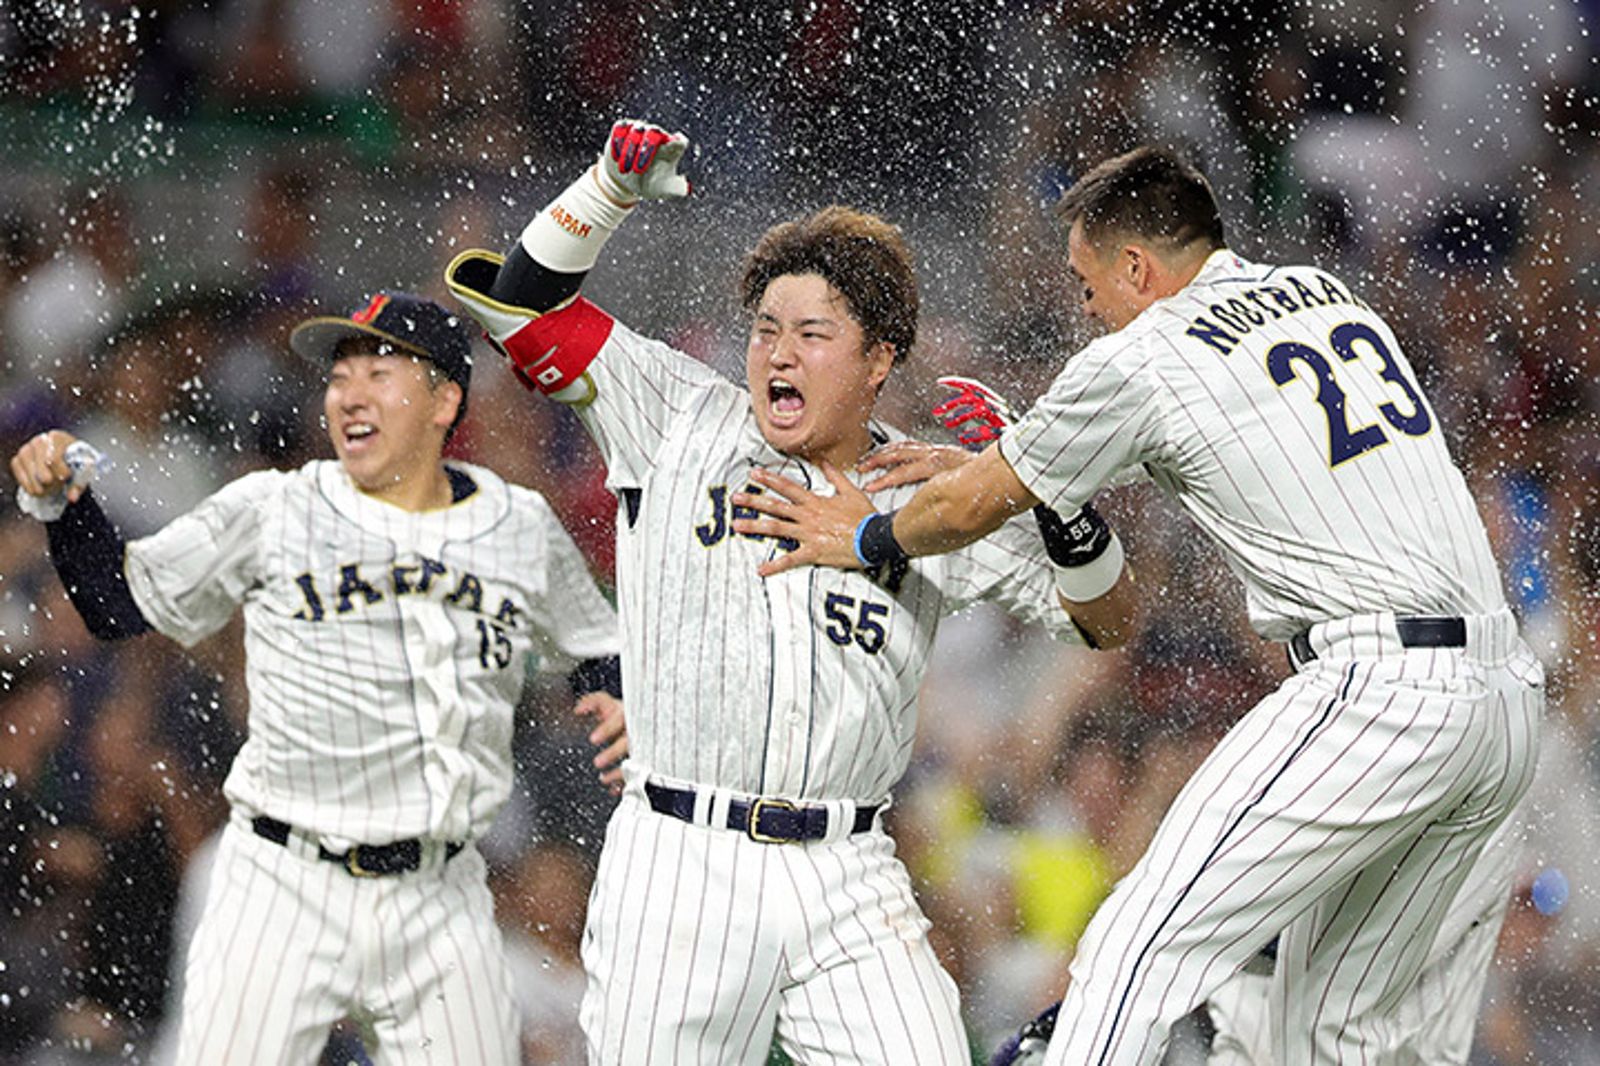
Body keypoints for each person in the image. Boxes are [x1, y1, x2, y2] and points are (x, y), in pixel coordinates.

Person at [733, 146, 1543, 1064]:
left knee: (1138, 945)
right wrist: (996, 469)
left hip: (1382, 692)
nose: (1086, 310)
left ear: (1136, 268)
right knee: (1347, 1033)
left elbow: (968, 510)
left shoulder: (1146, 353)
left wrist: (866, 535)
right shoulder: (1324, 293)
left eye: (1087, 283)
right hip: (1503, 699)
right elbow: (1217, 441)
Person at [443, 119, 1138, 1065]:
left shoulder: (932, 496)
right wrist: (608, 188)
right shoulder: (677, 414)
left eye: (814, 333)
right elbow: (520, 307)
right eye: (766, 329)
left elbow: (1105, 617)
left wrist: (1044, 489)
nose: (778, 352)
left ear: (879, 359)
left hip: (847, 872)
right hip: (684, 858)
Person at [9, 291, 624, 1065]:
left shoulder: (519, 526)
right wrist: (66, 504)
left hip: (437, 890)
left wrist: (618, 701)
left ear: (445, 400)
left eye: (378, 373)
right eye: (340, 377)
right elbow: (115, 603)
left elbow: (598, 650)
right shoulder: (275, 508)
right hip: (285, 878)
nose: (349, 395)